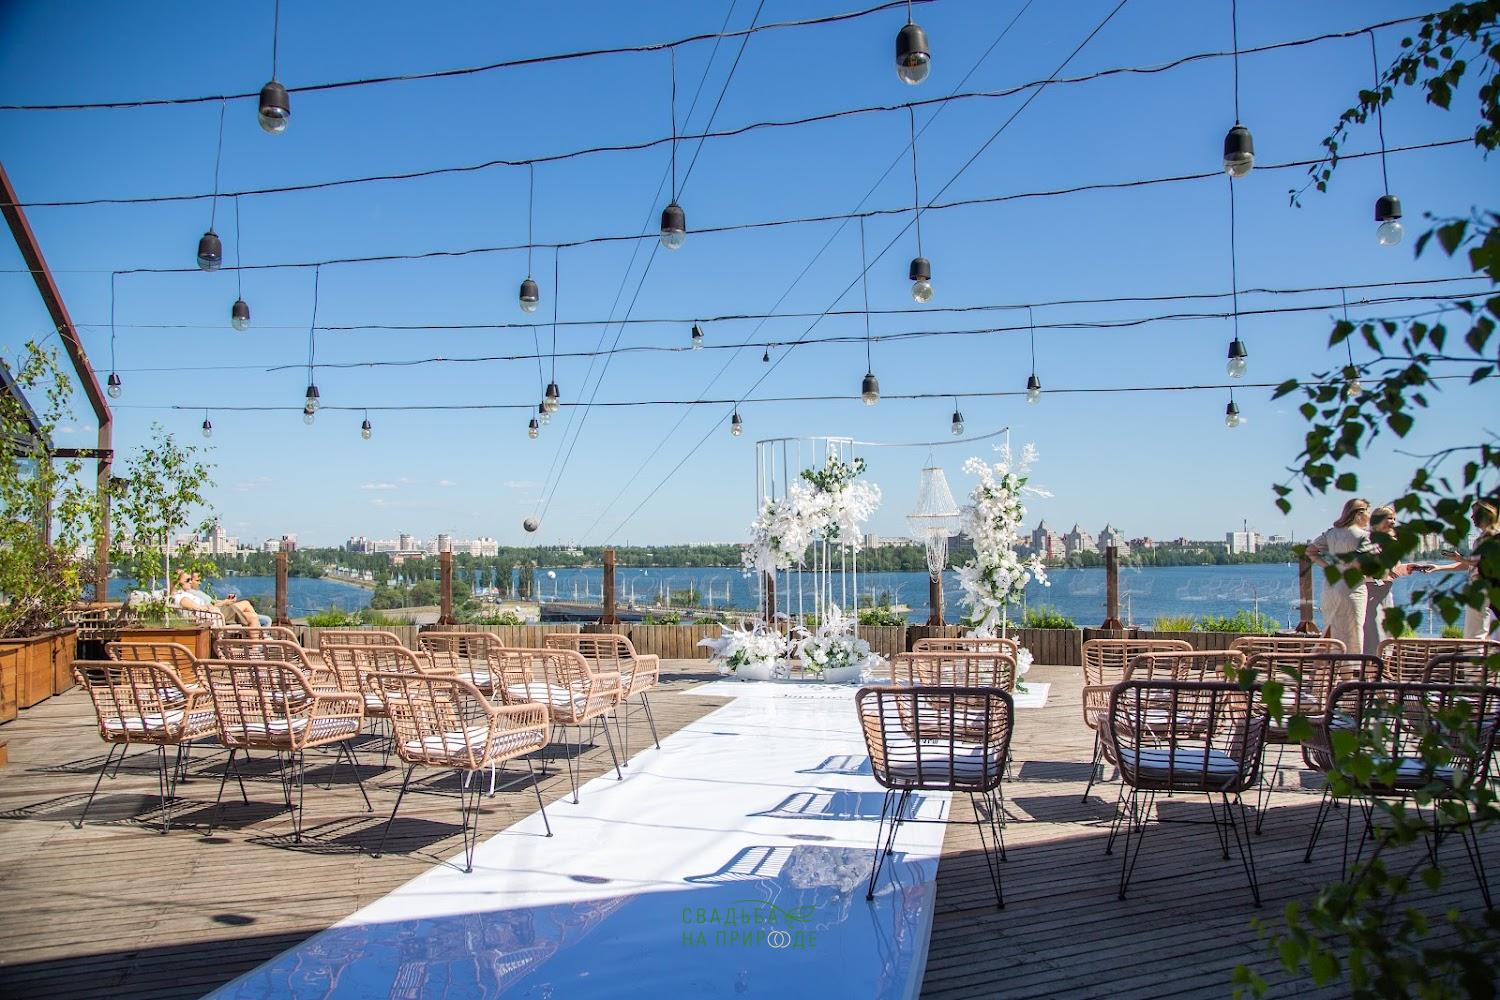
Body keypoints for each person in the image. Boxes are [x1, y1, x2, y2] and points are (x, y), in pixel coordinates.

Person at [1304, 498, 1374, 654]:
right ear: (1359, 514)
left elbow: (1310, 551)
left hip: (1331, 587)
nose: (1370, 516)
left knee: (1331, 630)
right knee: (1354, 632)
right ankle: (1350, 667)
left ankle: (1327, 666)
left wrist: (1328, 566)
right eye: (1368, 512)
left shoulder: (1331, 533)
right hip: (1353, 588)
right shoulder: (1364, 536)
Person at [1362, 505, 1432, 654]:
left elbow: (1395, 570)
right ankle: (1371, 663)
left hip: (1386, 592)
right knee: (1373, 632)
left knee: (1387, 633)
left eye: (1394, 518)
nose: (1393, 522)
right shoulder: (1367, 540)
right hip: (1370, 591)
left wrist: (1410, 568)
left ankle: (1383, 664)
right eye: (1389, 518)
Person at [1428, 500, 1499, 639]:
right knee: (1476, 632)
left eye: (1475, 514)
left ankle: (1476, 653)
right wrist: (1438, 567)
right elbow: (1470, 565)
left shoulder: (1494, 537)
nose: (1471, 517)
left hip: (1485, 589)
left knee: (1476, 634)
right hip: (1478, 589)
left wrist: (1462, 559)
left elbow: (1485, 564)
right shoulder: (1481, 539)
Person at [173, 571, 268, 627]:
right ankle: (258, 640)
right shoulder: (182, 596)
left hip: (215, 613)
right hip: (214, 615)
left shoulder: (188, 594)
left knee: (250, 611)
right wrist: (224, 602)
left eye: (190, 579)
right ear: (178, 582)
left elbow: (206, 605)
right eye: (188, 580)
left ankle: (258, 636)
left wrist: (224, 601)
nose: (190, 582)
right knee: (254, 616)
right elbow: (198, 607)